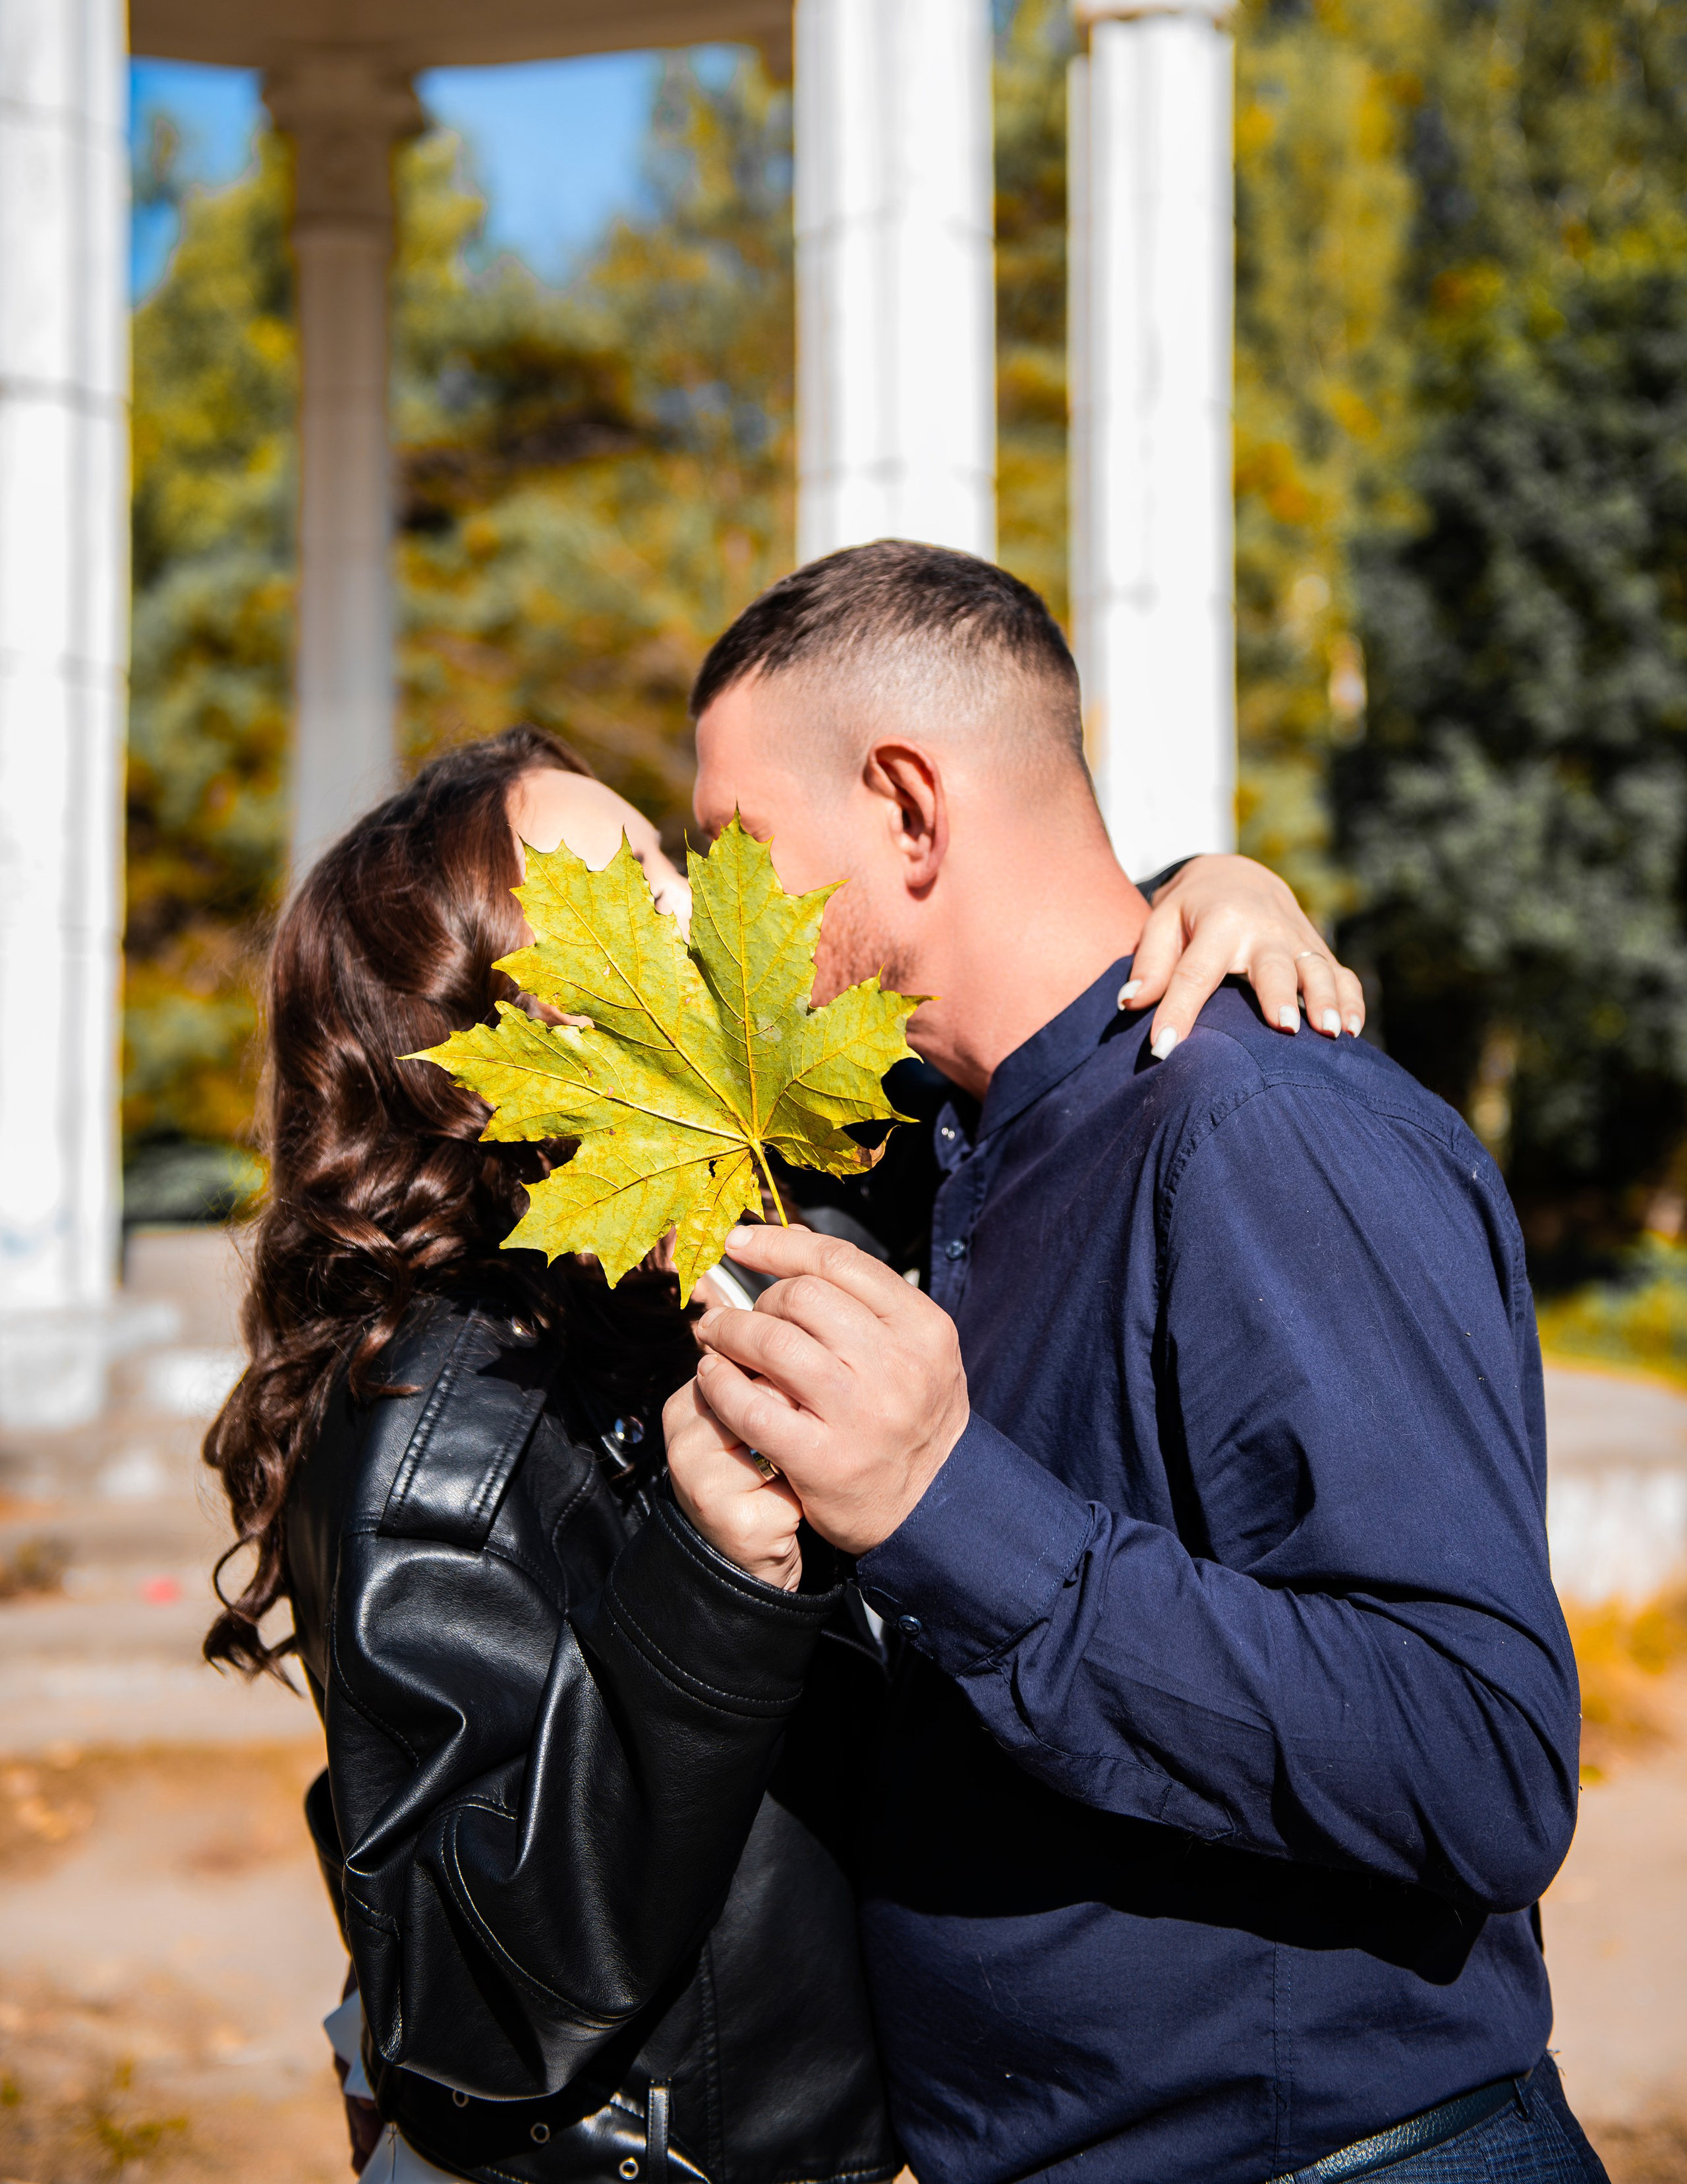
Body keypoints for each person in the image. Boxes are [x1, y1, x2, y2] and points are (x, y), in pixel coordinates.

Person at [203, 718, 1342, 2184]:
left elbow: (1012, 1029)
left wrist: (1205, 885)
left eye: (663, 860)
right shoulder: (429, 1426)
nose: (685, 901)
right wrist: (706, 1580)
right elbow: (473, 2011)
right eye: (610, 889)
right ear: (497, 1019)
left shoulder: (752, 1225)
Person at [677, 541, 1605, 2184]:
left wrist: (943, 1506)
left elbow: (1482, 1756)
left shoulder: (1262, 1128)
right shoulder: (951, 1148)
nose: (709, 923)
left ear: (908, 807)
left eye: (735, 851)